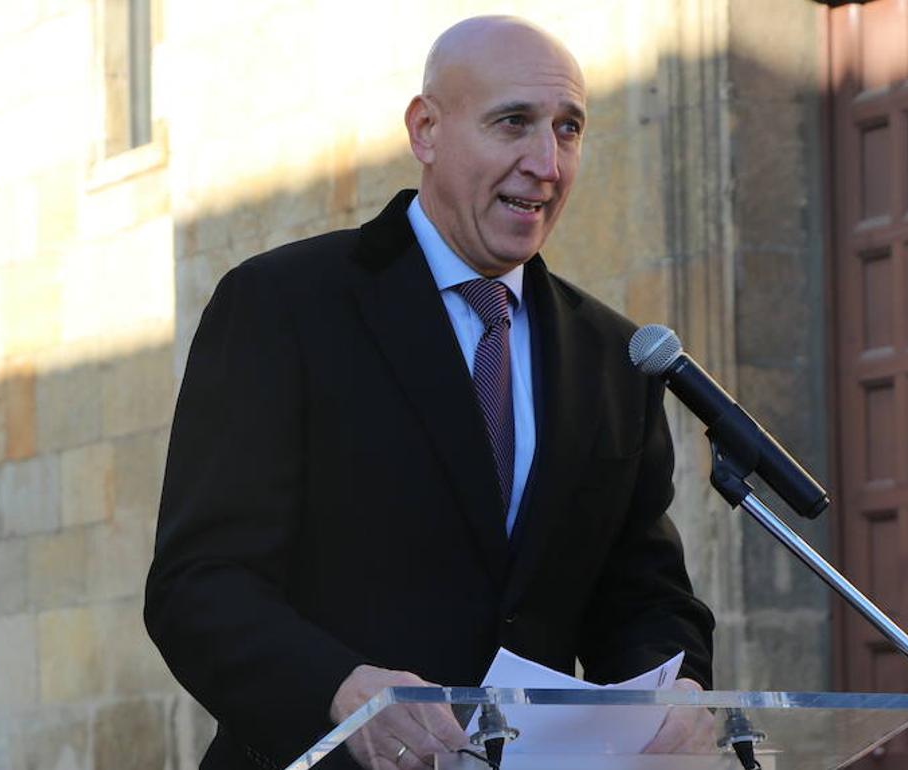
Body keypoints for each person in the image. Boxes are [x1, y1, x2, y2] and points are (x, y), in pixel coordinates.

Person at [144, 15, 716, 770]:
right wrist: (339, 690)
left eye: (568, 128)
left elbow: (643, 597)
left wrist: (676, 693)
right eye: (513, 122)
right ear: (426, 130)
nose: (546, 163)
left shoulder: (612, 356)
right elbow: (197, 586)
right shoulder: (283, 306)